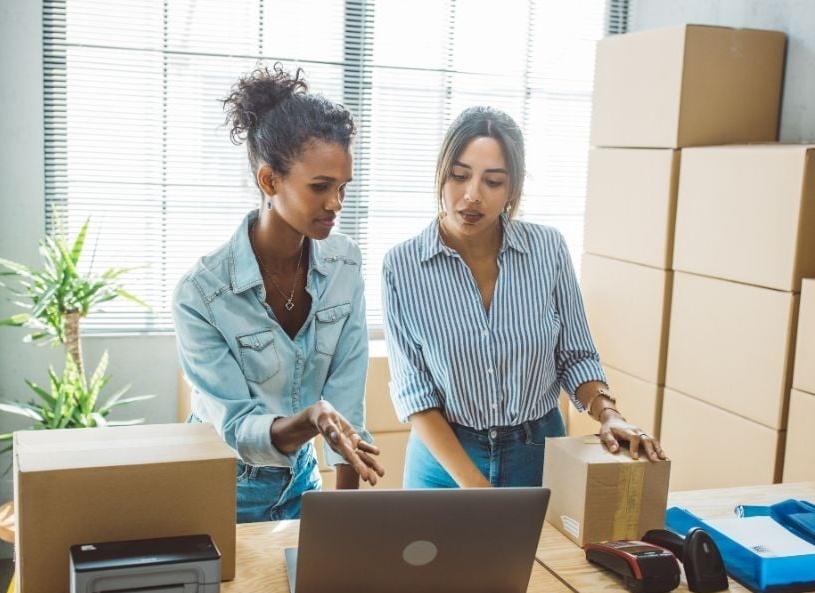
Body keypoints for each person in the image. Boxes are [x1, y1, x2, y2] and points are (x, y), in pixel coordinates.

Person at [381, 105, 667, 489]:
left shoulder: (548, 249)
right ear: (441, 174)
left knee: (541, 552)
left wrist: (608, 414)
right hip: (445, 462)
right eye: (459, 176)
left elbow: (576, 355)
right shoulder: (401, 266)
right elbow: (414, 392)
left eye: (493, 182)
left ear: (513, 187)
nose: (472, 195)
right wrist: (475, 485)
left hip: (537, 453)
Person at [173, 64, 385, 523]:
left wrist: (345, 525)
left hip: (301, 481)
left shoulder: (345, 264)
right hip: (220, 484)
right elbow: (236, 428)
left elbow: (347, 410)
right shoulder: (202, 294)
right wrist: (312, 420)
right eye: (320, 187)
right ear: (269, 181)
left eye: (343, 187)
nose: (336, 204)